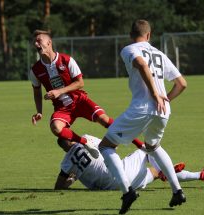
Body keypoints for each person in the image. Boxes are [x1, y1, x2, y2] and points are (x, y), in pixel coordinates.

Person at [97, 20, 188, 214]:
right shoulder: (160, 54)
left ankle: (127, 192)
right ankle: (177, 191)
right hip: (163, 111)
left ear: (131, 35)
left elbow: (141, 64)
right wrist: (166, 100)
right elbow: (182, 83)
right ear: (149, 35)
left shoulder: (129, 49)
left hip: (142, 108)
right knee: (153, 147)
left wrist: (155, 94)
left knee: (105, 146)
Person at [28, 30, 144, 158]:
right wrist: (39, 111)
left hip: (80, 101)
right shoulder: (35, 70)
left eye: (39, 40)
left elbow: (80, 83)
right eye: (35, 42)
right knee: (56, 128)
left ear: (49, 42)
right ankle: (86, 143)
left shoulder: (66, 60)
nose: (36, 44)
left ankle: (140, 145)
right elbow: (36, 91)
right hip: (62, 108)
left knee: (104, 119)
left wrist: (59, 91)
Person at [54, 135, 204, 191]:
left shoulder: (67, 163)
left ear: (63, 149)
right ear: (71, 137)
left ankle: (202, 175)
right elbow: (111, 147)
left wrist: (73, 179)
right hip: (119, 173)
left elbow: (58, 187)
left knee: (154, 173)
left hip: (112, 187)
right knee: (148, 149)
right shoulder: (86, 138)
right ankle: (166, 170)